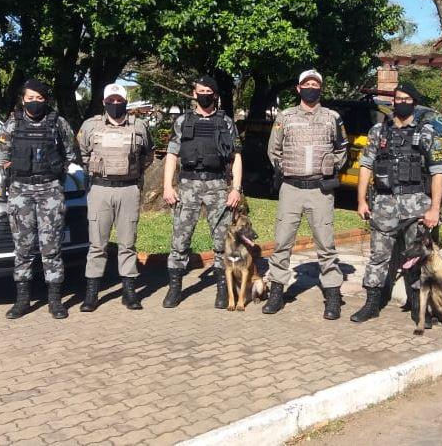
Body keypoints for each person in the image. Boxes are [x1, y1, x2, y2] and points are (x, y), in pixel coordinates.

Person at [350, 81, 442, 323]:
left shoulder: (427, 133)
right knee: (378, 256)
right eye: (398, 98)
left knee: (416, 257)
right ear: (392, 101)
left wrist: (434, 209)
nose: (401, 102)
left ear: (414, 102)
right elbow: (366, 166)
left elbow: (438, 172)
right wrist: (361, 200)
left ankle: (418, 307)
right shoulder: (378, 132)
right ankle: (372, 303)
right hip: (384, 203)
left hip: (416, 204)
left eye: (407, 99)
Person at [263, 69, 348, 319]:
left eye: (315, 84)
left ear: (321, 88)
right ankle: (277, 292)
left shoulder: (333, 118)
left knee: (326, 245)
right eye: (306, 84)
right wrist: (284, 169)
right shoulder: (285, 117)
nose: (311, 87)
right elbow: (274, 150)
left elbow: (343, 148)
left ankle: (332, 296)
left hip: (320, 191)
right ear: (298, 89)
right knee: (282, 243)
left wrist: (331, 169)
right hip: (291, 189)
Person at [0, 79, 78, 320]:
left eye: (39, 98)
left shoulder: (58, 123)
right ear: (22, 99)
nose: (34, 103)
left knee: (51, 247)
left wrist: (57, 174)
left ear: (46, 99)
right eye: (30, 98)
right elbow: (2, 157)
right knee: (23, 248)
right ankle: (22, 300)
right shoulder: (11, 125)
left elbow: (71, 154)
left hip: (49, 191)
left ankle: (55, 301)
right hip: (21, 191)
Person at [161, 75, 243, 308]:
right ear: (194, 93)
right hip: (188, 186)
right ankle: (175, 289)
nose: (204, 94)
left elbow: (236, 157)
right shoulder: (182, 121)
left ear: (215, 94)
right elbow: (172, 155)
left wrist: (235, 188)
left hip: (218, 186)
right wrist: (168, 186)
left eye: (208, 90)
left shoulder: (226, 122)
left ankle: (222, 289)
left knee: (221, 241)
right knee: (180, 239)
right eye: (200, 90)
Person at [76, 84, 155, 312]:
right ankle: (92, 294)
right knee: (97, 245)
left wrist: (134, 173)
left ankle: (129, 293)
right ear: (104, 102)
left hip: (128, 190)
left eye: (120, 100)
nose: (116, 104)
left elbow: (148, 154)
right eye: (111, 100)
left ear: (126, 102)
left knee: (127, 244)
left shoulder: (139, 126)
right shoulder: (90, 126)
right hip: (100, 189)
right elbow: (81, 153)